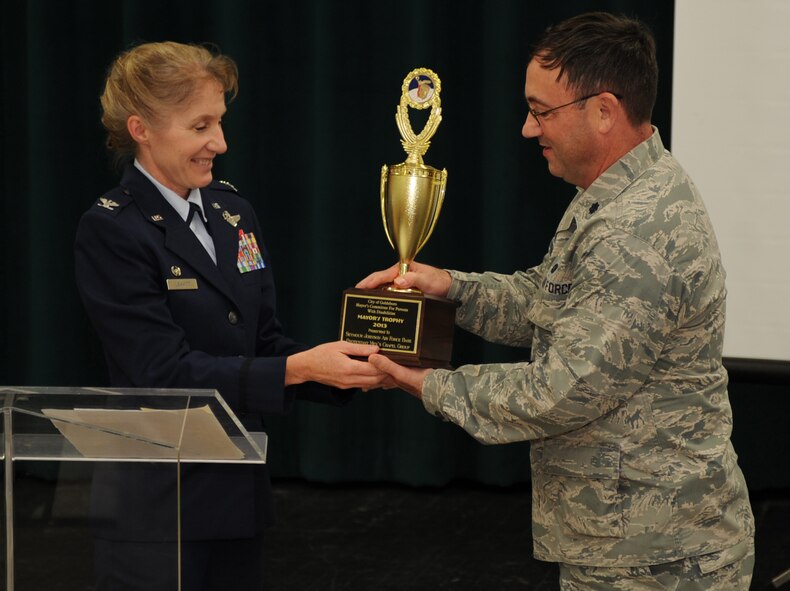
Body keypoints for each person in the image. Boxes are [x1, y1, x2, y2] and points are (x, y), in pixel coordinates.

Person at [359, 12, 756, 591]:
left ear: (603, 111)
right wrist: (452, 288)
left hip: (657, 557)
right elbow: (550, 301)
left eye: (541, 111)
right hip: (633, 541)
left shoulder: (635, 229)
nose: (526, 128)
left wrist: (422, 383)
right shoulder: (613, 194)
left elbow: (560, 391)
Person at [75, 41, 387, 591]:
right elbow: (160, 373)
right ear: (141, 129)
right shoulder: (113, 229)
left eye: (219, 122)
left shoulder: (231, 211)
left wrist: (350, 365)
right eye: (200, 126)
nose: (220, 142)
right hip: (156, 503)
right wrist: (301, 370)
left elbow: (261, 341)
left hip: (235, 488)